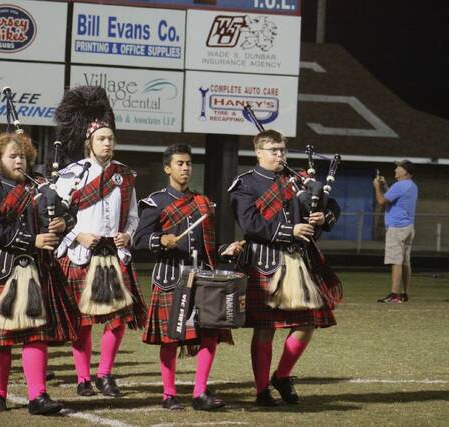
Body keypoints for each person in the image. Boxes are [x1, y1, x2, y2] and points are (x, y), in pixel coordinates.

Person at [0, 132, 77, 414]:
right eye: (13, 156)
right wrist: (32, 240)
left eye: (22, 155)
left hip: (34, 269)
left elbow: (66, 215)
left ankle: (39, 396)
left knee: (35, 335)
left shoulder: (41, 186)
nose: (19, 160)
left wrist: (62, 223)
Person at [229, 130, 342, 406]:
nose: (279, 154)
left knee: (307, 323)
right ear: (258, 152)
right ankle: (261, 390)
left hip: (300, 262)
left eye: (281, 150)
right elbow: (250, 223)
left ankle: (282, 375)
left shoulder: (300, 179)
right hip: (264, 263)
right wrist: (291, 230)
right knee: (266, 330)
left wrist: (323, 216)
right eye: (272, 150)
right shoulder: (245, 184)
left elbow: (333, 206)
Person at [134, 143, 243, 411]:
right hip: (172, 278)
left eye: (188, 164)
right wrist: (161, 240)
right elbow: (138, 240)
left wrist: (224, 250)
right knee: (171, 338)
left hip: (203, 278)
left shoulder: (203, 203)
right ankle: (169, 394)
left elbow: (209, 245)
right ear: (167, 168)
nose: (185, 168)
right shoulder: (156, 202)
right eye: (179, 164)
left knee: (209, 334)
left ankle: (200, 392)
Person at [54, 85, 147, 398]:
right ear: (89, 142)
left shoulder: (125, 175)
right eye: (102, 139)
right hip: (81, 254)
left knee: (118, 320)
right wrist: (77, 234)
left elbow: (134, 216)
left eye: (111, 139)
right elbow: (55, 217)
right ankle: (83, 378)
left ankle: (105, 374)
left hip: (114, 254)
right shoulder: (71, 174)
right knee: (83, 322)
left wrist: (129, 235)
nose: (108, 144)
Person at [373, 160, 418, 303]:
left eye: (398, 167)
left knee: (396, 261)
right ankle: (404, 294)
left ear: (405, 171)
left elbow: (381, 201)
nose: (395, 170)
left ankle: (394, 295)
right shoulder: (412, 185)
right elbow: (393, 199)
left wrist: (376, 187)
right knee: (405, 262)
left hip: (397, 228)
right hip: (408, 227)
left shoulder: (399, 185)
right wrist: (386, 186)